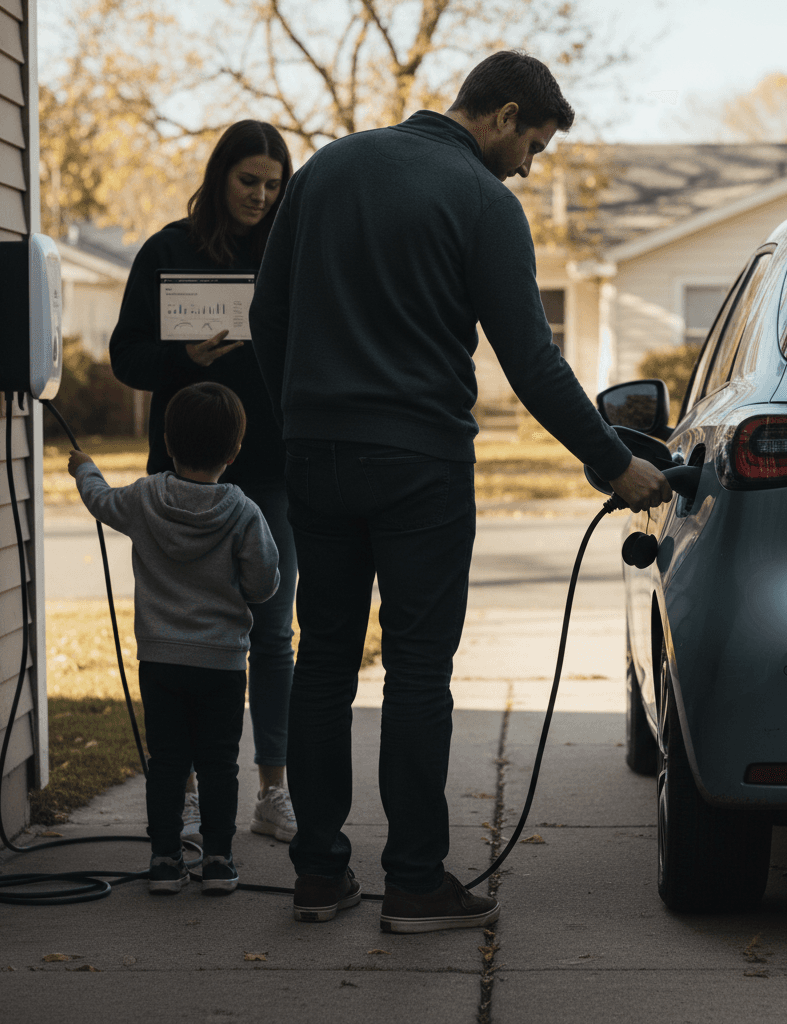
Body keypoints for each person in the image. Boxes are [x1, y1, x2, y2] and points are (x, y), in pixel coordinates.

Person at [249, 50, 672, 933]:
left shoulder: (328, 168)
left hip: (317, 456)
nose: (530, 164)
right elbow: (532, 361)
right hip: (420, 468)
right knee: (416, 670)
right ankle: (413, 881)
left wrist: (301, 415)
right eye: (535, 145)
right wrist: (610, 462)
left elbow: (268, 315)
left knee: (321, 660)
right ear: (505, 113)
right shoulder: (483, 202)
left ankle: (320, 874)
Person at [110, 121, 299, 844]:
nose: (260, 195)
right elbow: (126, 356)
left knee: (273, 630)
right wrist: (182, 355)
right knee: (175, 634)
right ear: (220, 176)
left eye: (272, 184)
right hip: (183, 474)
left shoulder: (290, 255)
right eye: (248, 180)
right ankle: (183, 790)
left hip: (273, 469)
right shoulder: (169, 250)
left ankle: (272, 791)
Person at [68, 383, 281, 894]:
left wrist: (84, 467)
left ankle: (164, 861)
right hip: (223, 664)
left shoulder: (145, 498)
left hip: (161, 660)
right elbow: (264, 585)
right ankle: (219, 861)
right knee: (218, 764)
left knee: (167, 762)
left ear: (166, 440)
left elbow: (100, 501)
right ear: (234, 452)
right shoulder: (244, 512)